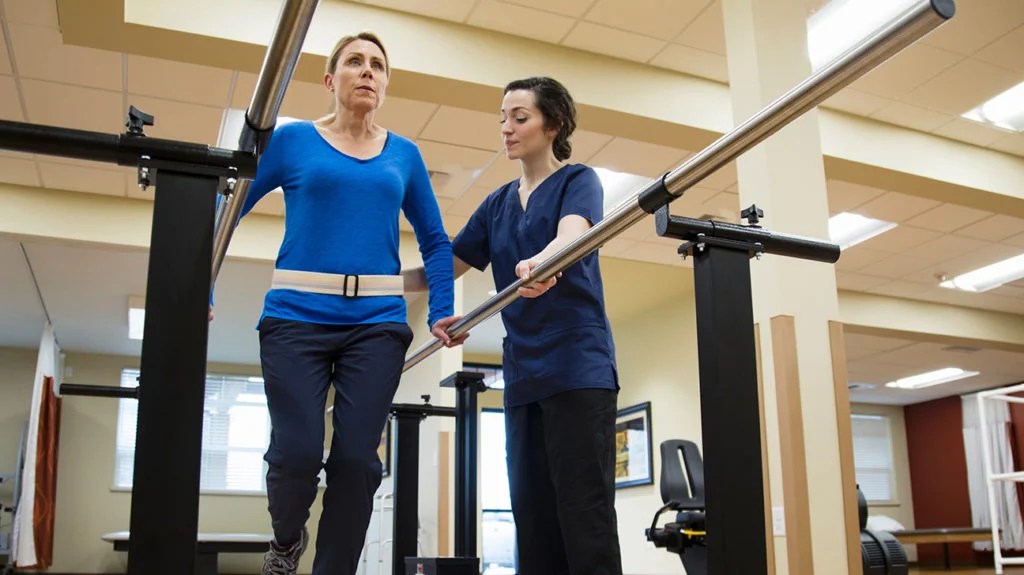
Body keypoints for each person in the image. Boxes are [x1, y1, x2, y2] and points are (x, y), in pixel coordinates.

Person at [220, 32, 463, 575]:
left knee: (357, 462)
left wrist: (443, 305)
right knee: (298, 452)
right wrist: (201, 285)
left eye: (378, 64)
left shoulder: (404, 154)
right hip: (294, 318)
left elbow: (435, 240)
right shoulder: (293, 142)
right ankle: (286, 542)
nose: (368, 71)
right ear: (331, 81)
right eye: (355, 62)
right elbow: (228, 206)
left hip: (375, 323)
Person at [429, 76, 623, 574]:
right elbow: (446, 264)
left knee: (584, 516)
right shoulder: (496, 204)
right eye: (502, 118)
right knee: (532, 517)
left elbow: (572, 235)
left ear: (552, 124)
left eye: (520, 117)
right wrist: (375, 282)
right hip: (523, 376)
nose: (506, 128)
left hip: (578, 368)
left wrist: (543, 262)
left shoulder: (578, 180)